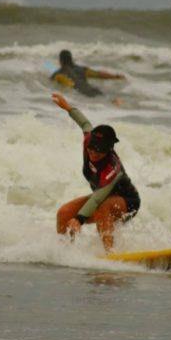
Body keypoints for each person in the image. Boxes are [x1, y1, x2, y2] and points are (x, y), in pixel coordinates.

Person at [51, 92, 140, 252]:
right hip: (102, 199)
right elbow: (85, 123)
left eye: (99, 151)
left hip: (128, 202)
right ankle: (64, 252)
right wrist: (67, 107)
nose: (93, 152)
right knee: (64, 213)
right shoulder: (88, 141)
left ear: (108, 150)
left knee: (101, 207)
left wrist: (79, 219)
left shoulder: (113, 168)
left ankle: (110, 255)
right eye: (92, 148)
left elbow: (98, 198)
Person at [50, 49, 125, 97]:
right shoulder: (82, 69)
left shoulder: (58, 74)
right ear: (71, 59)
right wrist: (116, 76)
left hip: (83, 94)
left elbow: (50, 84)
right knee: (108, 98)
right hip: (94, 89)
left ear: (60, 60)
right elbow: (100, 74)